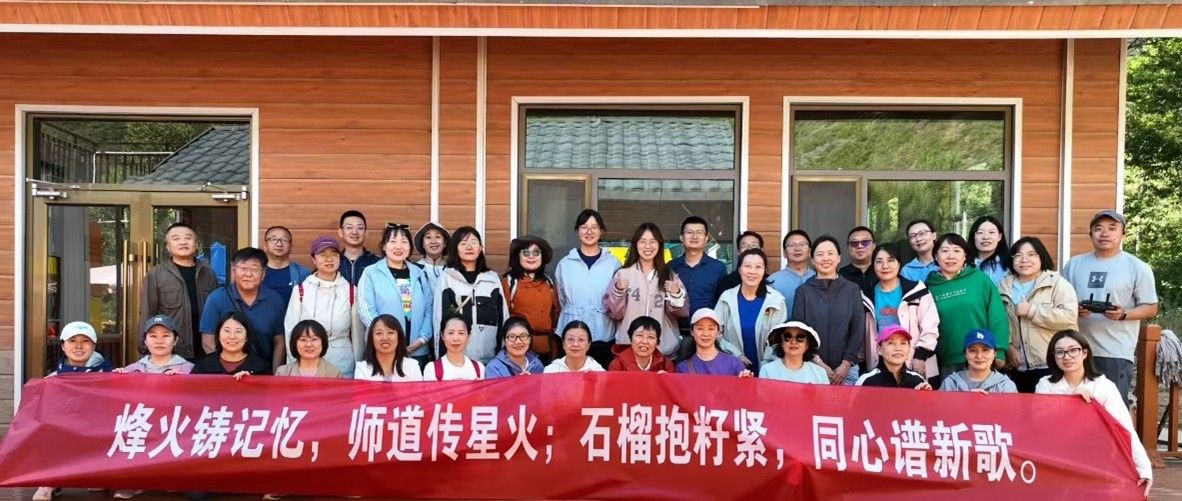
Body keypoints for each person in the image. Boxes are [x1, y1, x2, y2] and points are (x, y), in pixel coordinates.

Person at [1036, 330, 1152, 496]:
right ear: (1053, 356)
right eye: (1060, 352)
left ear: (1085, 353)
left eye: (1073, 350)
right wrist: (1072, 402)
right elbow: (1040, 422)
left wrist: (1144, 469)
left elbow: (1125, 429)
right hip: (1056, 459)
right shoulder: (1045, 385)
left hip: (1095, 461)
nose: (1066, 357)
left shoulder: (1104, 386)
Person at [1061, 210, 1158, 404]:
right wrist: (1074, 309)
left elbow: (1151, 307)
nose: (1104, 233)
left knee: (1112, 407)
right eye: (1098, 228)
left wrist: (1124, 314)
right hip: (1074, 349)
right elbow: (1061, 300)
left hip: (1115, 350)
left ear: (1124, 234)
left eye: (1112, 228)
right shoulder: (1074, 264)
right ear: (1090, 234)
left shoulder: (1137, 266)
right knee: (1074, 406)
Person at [33, 321, 113, 501]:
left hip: (97, 430)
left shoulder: (109, 374)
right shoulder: (52, 380)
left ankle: (97, 474)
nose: (78, 346)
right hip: (64, 433)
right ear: (63, 346)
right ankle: (49, 481)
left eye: (85, 341)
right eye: (72, 341)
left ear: (93, 345)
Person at [999, 236, 1079, 392]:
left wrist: (1032, 311)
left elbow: (1069, 317)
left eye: (1031, 254)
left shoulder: (1056, 283)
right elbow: (999, 321)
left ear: (1041, 257)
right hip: (1016, 366)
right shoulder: (1003, 286)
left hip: (1050, 363)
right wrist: (1007, 347)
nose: (1024, 260)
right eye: (1018, 255)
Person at [926, 233, 1009, 379]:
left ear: (965, 255)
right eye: (944, 251)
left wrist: (1000, 349)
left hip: (982, 355)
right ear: (936, 256)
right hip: (947, 359)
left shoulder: (979, 279)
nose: (951, 256)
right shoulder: (930, 286)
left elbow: (997, 315)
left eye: (957, 251)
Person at [605, 223, 689, 358]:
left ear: (659, 245)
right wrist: (618, 291)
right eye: (643, 241)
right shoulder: (623, 274)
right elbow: (614, 314)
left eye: (652, 242)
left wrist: (676, 294)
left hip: (662, 351)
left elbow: (681, 313)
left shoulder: (669, 276)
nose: (648, 246)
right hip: (628, 350)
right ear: (635, 245)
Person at [285, 236, 364, 378]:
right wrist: (293, 366)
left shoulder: (351, 291)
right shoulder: (301, 290)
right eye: (323, 254)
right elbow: (291, 331)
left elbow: (358, 336)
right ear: (314, 260)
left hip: (341, 361)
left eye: (334, 254)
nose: (329, 259)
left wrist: (359, 368)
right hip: (307, 361)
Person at [792, 236, 865, 385]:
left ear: (839, 258)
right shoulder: (803, 291)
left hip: (847, 370)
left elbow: (858, 329)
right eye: (820, 254)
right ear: (812, 260)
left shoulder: (852, 289)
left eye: (830, 253)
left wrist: (846, 364)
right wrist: (819, 363)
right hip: (810, 367)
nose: (825, 258)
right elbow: (799, 331)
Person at [358, 225, 434, 368]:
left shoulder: (419, 274)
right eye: (393, 241)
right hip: (383, 349)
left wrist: (422, 339)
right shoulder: (371, 273)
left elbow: (429, 310)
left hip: (417, 351)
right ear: (384, 246)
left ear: (410, 247)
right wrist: (386, 338)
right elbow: (366, 310)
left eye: (404, 242)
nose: (398, 246)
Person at [199, 247, 287, 372]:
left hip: (262, 372)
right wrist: (224, 372)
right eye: (243, 268)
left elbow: (279, 342)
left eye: (254, 269)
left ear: (263, 274)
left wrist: (274, 374)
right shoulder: (216, 299)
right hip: (225, 375)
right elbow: (208, 342)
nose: (248, 274)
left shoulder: (275, 300)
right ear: (233, 270)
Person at [862, 243, 940, 381]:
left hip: (916, 361)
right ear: (873, 266)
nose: (885, 266)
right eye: (879, 261)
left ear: (899, 264)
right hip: (879, 362)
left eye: (890, 260)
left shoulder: (917, 290)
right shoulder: (865, 296)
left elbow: (931, 326)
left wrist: (920, 356)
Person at [141, 222, 218, 360]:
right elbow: (147, 313)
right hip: (172, 353)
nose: (183, 242)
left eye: (188, 238)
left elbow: (217, 312)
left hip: (206, 350)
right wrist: (145, 351)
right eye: (176, 238)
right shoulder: (156, 275)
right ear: (168, 247)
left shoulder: (208, 274)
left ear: (196, 244)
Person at [555, 209, 621, 370]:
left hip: (603, 335)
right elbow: (560, 299)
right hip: (571, 336)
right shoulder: (565, 263)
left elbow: (617, 300)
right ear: (577, 230)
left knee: (600, 381)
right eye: (584, 227)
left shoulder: (613, 263)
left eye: (594, 227)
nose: (589, 232)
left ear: (601, 230)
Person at [433, 226, 507, 364]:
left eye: (473, 242)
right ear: (455, 249)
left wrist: (502, 358)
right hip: (457, 359)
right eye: (463, 243)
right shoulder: (447, 278)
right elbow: (439, 319)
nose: (469, 247)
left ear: (480, 248)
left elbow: (503, 317)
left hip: (490, 359)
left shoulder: (492, 279)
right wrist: (441, 360)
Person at [716, 249, 788, 371]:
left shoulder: (776, 301)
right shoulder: (726, 298)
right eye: (747, 266)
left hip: (767, 370)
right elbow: (716, 333)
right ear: (739, 270)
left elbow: (778, 339)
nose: (752, 271)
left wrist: (766, 366)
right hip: (732, 367)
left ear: (764, 270)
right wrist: (736, 355)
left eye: (758, 267)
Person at [502, 235, 561, 364]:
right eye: (526, 253)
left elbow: (556, 314)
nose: (531, 257)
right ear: (518, 256)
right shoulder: (509, 282)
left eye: (536, 252)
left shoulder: (548, 283)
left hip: (547, 349)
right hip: (519, 347)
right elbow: (502, 316)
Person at [669, 216, 728, 336]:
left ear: (706, 238)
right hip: (674, 331)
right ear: (681, 238)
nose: (694, 236)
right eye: (689, 232)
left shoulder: (718, 268)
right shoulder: (670, 267)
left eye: (699, 232)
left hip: (706, 333)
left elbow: (722, 303)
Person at [676, 308, 751, 376]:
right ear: (692, 331)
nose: (706, 334)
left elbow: (745, 386)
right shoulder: (683, 368)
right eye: (700, 328)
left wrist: (746, 380)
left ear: (718, 332)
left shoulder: (734, 364)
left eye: (711, 329)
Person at [939, 329, 1017, 393]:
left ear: (994, 354)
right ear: (965, 354)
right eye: (972, 350)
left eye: (985, 350)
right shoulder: (950, 383)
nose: (979, 356)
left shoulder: (1005, 386)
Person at [193, 312, 270, 376]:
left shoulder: (260, 366)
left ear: (247, 337)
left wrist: (251, 380)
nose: (232, 336)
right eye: (227, 331)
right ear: (218, 335)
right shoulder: (203, 365)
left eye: (238, 331)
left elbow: (268, 389)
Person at [856, 326, 932, 390]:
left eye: (903, 343)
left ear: (909, 348)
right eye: (891, 343)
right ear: (879, 349)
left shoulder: (918, 380)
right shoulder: (866, 381)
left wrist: (924, 396)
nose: (898, 348)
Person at [115, 314, 194, 375]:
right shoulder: (131, 370)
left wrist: (185, 381)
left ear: (175, 340)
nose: (159, 341)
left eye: (165, 335)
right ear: (145, 340)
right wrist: (117, 376)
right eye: (153, 336)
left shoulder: (190, 369)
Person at [353, 314, 422, 382]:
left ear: (399, 337)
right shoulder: (362, 369)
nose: (385, 338)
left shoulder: (412, 366)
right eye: (379, 333)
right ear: (371, 339)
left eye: (390, 332)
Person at [758, 321, 829, 384]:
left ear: (807, 344)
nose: (793, 342)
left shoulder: (820, 373)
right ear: (781, 342)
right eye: (787, 336)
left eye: (800, 337)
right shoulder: (767, 371)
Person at [424, 315, 485, 381]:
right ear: (442, 336)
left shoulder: (479, 368)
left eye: (461, 333)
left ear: (469, 336)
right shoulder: (432, 369)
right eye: (450, 333)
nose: (455, 338)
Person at [274, 319, 343, 378]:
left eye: (314, 339)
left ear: (323, 342)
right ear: (294, 343)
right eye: (303, 340)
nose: (309, 344)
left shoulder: (334, 374)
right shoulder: (282, 373)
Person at [607, 316, 676, 373]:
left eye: (651, 337)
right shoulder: (617, 365)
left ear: (657, 342)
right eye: (639, 335)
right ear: (630, 338)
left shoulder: (665, 364)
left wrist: (666, 380)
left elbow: (671, 385)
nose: (645, 341)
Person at [261, 225, 311, 304]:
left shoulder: (302, 273)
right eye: (273, 239)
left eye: (284, 240)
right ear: (265, 246)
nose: (279, 244)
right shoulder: (256, 271)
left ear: (291, 246)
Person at [767, 230, 815, 309]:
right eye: (792, 245)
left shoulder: (819, 278)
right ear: (784, 253)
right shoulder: (772, 281)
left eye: (802, 245)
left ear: (810, 251)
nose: (797, 248)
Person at [714, 230, 764, 297]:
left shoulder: (769, 281)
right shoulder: (726, 283)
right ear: (738, 252)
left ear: (761, 250)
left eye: (754, 245)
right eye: (744, 245)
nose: (749, 248)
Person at [338, 210, 381, 286]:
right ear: (341, 232)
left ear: (366, 232)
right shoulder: (334, 262)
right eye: (349, 227)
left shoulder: (377, 263)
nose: (354, 232)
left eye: (360, 228)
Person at [969, 215, 1011, 285]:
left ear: (999, 236)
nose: (986, 237)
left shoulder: (1010, 265)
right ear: (973, 237)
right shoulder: (963, 264)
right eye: (980, 232)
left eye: (991, 232)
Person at [839, 226, 877, 291]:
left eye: (865, 242)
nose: (860, 246)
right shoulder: (840, 276)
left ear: (874, 246)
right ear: (848, 248)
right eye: (854, 243)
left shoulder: (882, 271)